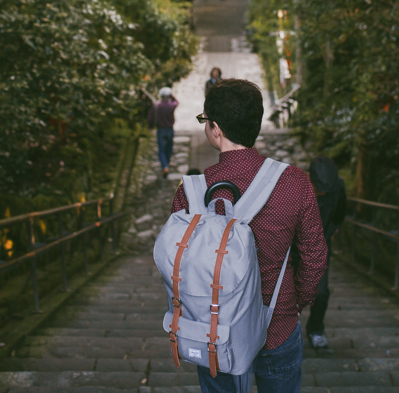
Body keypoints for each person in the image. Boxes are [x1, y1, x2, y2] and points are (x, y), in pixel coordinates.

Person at [171, 79, 327, 393]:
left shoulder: (191, 192)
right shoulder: (295, 183)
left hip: (216, 330)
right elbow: (314, 258)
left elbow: (180, 265)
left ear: (215, 128)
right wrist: (295, 303)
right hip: (278, 325)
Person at [303, 157, 347, 349]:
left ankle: (315, 329)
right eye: (318, 190)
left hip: (320, 247)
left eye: (324, 192)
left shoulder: (338, 188)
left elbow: (340, 214)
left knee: (321, 293)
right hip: (292, 248)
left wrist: (329, 233)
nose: (321, 194)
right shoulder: (294, 187)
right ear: (309, 178)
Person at [147, 87, 178, 176]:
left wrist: (150, 126)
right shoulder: (171, 106)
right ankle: (167, 162)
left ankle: (165, 166)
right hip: (169, 129)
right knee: (169, 147)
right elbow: (177, 102)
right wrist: (172, 96)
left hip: (160, 129)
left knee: (161, 149)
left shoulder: (156, 106)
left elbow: (150, 117)